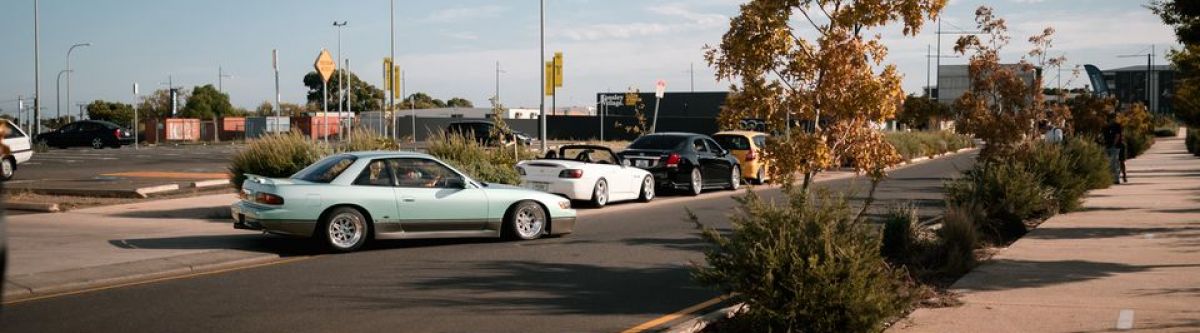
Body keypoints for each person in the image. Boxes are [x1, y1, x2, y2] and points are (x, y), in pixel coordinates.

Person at [1101, 113, 1125, 184]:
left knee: (1114, 162)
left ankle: (1116, 178)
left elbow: (1117, 136)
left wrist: (1114, 144)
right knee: (1109, 163)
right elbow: (1103, 136)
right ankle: (1109, 178)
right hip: (1107, 146)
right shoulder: (1106, 126)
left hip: (1115, 147)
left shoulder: (1117, 126)